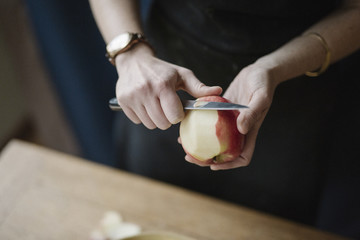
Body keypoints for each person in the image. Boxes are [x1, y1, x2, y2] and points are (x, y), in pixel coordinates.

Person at [89, 0, 360, 237]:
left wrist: (273, 69)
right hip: (161, 83)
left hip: (294, 84)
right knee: (148, 219)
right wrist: (129, 53)